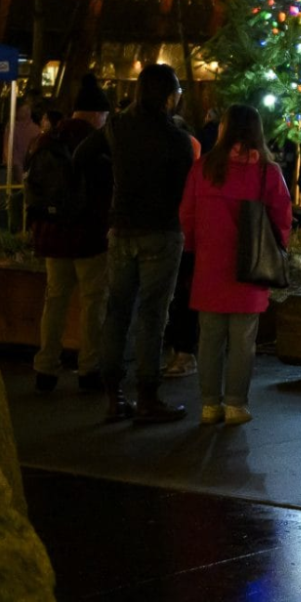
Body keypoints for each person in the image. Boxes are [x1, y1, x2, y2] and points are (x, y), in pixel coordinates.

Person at [80, 63, 198, 423]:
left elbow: (81, 157)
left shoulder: (116, 126)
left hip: (121, 228)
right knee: (151, 314)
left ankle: (114, 396)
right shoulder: (177, 139)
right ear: (168, 96)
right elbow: (184, 188)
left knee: (117, 312)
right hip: (161, 230)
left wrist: (116, 178)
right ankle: (148, 396)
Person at [179, 105, 292, 424]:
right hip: (250, 268)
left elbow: (186, 215)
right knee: (243, 342)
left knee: (210, 338)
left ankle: (209, 404)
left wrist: (195, 248)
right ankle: (235, 405)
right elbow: (282, 219)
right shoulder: (268, 173)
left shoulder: (203, 168)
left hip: (209, 267)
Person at [27, 75, 113, 394]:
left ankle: (45, 367)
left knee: (55, 301)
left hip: (52, 236)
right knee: (93, 304)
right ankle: (88, 369)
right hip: (90, 238)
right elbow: (106, 192)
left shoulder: (48, 140)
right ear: (95, 114)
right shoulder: (97, 143)